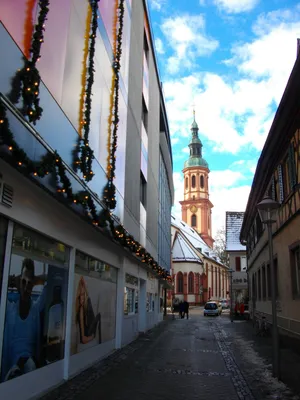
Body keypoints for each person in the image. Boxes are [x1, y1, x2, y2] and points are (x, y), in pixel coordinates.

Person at [2, 258, 46, 381]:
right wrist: (10, 280)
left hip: (31, 366)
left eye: (30, 284)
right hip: (11, 368)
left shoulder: (36, 309)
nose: (26, 288)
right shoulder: (10, 309)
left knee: (29, 366)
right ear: (19, 283)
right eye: (23, 282)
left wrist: (37, 280)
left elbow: (51, 280)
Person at [76, 276, 101, 345]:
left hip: (90, 335)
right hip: (87, 338)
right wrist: (92, 336)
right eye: (81, 295)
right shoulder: (81, 310)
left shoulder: (86, 304)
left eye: (84, 295)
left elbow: (87, 294)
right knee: (98, 315)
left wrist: (83, 283)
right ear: (78, 296)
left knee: (98, 314)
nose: (83, 298)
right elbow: (84, 339)